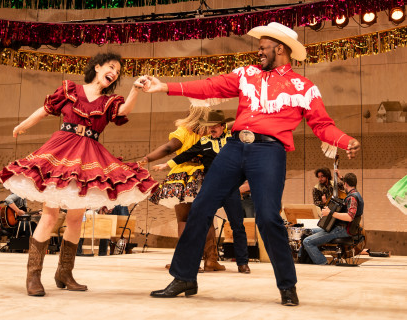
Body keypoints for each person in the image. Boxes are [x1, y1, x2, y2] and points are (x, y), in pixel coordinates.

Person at [136, 22, 361, 306]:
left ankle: (287, 286)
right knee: (201, 206)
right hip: (233, 148)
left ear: (279, 49)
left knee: (268, 217)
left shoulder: (303, 87)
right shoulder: (247, 75)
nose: (258, 53)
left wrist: (345, 139)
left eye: (262, 48)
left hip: (269, 152)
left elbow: (322, 125)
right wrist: (166, 86)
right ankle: (184, 277)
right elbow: (210, 85)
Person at [0, 53, 158, 296]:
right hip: (61, 151)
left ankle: (64, 272)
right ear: (97, 67)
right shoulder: (70, 90)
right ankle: (33, 276)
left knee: (74, 218)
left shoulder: (110, 101)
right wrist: (23, 125)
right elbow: (44, 110)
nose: (114, 71)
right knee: (50, 215)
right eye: (111, 66)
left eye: (118, 70)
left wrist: (135, 89)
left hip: (89, 155)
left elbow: (124, 110)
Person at [153, 110, 251, 273]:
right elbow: (186, 154)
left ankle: (242, 262)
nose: (211, 129)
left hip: (231, 188)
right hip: (211, 188)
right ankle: (197, 260)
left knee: (237, 225)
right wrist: (166, 164)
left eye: (215, 126)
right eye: (209, 126)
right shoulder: (204, 142)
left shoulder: (233, 140)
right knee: (201, 222)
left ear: (222, 126)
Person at [139, 106, 226, 272]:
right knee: (206, 220)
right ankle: (211, 260)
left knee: (184, 219)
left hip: (181, 178)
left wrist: (147, 158)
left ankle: (184, 260)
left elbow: (168, 148)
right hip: (206, 177)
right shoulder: (213, 131)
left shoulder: (184, 131)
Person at [302, 173, 364, 265]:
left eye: (344, 183)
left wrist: (330, 213)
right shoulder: (356, 194)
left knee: (307, 241)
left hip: (342, 229)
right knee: (308, 231)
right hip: (342, 228)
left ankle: (323, 263)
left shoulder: (352, 198)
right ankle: (302, 259)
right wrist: (339, 176)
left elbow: (349, 217)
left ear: (346, 184)